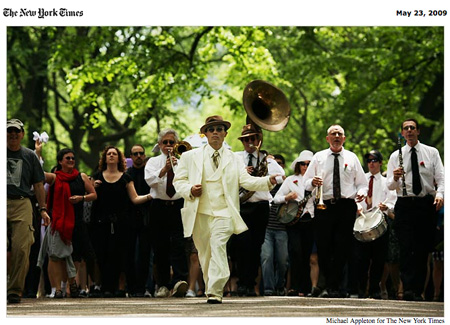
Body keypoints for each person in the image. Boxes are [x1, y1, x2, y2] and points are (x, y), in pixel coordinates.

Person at [173, 115, 279, 304]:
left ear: (225, 133)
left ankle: (215, 291)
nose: (215, 132)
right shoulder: (190, 157)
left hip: (224, 212)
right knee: (205, 254)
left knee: (218, 246)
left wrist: (267, 181)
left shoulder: (234, 158)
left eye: (220, 129)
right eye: (211, 129)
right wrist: (190, 189)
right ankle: (210, 287)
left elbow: (246, 181)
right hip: (199, 212)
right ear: (204, 133)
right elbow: (178, 181)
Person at [303, 124, 368, 298]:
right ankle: (329, 286)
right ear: (328, 138)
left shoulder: (352, 157)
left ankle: (337, 287)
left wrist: (361, 193)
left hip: (346, 206)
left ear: (344, 138)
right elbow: (305, 182)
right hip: (324, 206)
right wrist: (312, 183)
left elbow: (362, 183)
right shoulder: (319, 157)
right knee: (324, 247)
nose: (337, 136)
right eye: (333, 133)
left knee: (342, 247)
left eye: (340, 133)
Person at [386, 118, 444, 301]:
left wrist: (440, 194)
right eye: (406, 128)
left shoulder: (431, 152)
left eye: (412, 128)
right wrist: (395, 178)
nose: (409, 131)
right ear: (402, 133)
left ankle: (417, 289)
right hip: (404, 204)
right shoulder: (396, 156)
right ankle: (408, 288)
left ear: (418, 131)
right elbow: (389, 185)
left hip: (425, 204)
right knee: (406, 247)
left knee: (421, 248)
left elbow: (441, 179)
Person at [91, 145, 152, 297]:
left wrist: (152, 195)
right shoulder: (97, 176)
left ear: (119, 158)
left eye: (114, 154)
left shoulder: (126, 178)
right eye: (109, 154)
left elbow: (135, 199)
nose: (111, 156)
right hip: (101, 223)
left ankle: (123, 288)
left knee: (124, 255)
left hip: (123, 223)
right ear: (105, 158)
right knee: (103, 255)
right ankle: (106, 288)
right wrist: (91, 187)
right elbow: (89, 196)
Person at [233, 124, 285, 297]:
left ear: (259, 140)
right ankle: (242, 282)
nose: (250, 142)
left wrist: (265, 175)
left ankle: (250, 283)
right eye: (246, 139)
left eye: (253, 138)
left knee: (256, 246)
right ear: (242, 142)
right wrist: (242, 174)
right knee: (241, 246)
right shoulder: (235, 158)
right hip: (241, 206)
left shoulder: (267, 160)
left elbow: (281, 177)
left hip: (260, 207)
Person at [40, 148, 97, 298]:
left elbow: (93, 195)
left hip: (77, 222)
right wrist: (38, 153)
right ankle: (57, 289)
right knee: (56, 256)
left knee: (76, 256)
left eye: (73, 158)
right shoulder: (54, 177)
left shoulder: (82, 176)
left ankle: (69, 285)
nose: (71, 160)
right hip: (59, 223)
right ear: (60, 161)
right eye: (67, 158)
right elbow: (38, 174)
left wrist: (81, 198)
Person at [7, 118, 50, 304]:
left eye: (17, 131)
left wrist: (43, 209)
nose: (13, 134)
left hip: (23, 203)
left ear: (23, 134)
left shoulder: (30, 156)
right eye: (9, 131)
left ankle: (14, 291)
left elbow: (39, 185)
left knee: (22, 248)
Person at [145, 129, 189, 298]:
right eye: (165, 142)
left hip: (178, 205)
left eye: (172, 142)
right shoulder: (153, 162)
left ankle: (179, 282)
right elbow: (150, 181)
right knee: (160, 246)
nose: (169, 146)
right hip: (159, 206)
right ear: (160, 145)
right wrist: (164, 169)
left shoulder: (184, 161)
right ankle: (162, 284)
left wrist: (178, 167)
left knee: (178, 244)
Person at [350, 150, 397, 299]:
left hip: (380, 223)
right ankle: (362, 289)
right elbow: (353, 196)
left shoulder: (386, 182)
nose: (371, 163)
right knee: (361, 259)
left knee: (379, 259)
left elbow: (392, 199)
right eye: (369, 160)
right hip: (362, 223)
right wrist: (356, 206)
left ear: (380, 162)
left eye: (375, 160)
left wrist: (387, 206)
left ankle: (375, 288)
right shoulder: (361, 180)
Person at [273, 150, 316, 297]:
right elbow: (276, 198)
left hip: (311, 220)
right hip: (294, 222)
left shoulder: (317, 180)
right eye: (303, 163)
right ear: (298, 165)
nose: (305, 166)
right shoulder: (291, 180)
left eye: (308, 164)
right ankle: (295, 286)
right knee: (295, 252)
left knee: (307, 255)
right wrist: (287, 197)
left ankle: (306, 287)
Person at [126, 144, 153, 297]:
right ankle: (132, 288)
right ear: (131, 156)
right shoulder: (127, 174)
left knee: (145, 254)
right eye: (135, 153)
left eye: (141, 153)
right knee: (130, 254)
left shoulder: (150, 173)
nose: (138, 156)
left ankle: (145, 288)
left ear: (144, 155)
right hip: (130, 218)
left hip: (148, 218)